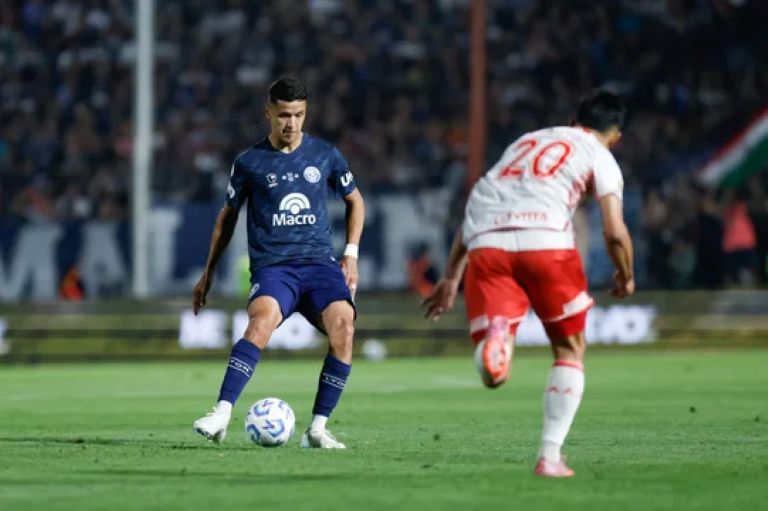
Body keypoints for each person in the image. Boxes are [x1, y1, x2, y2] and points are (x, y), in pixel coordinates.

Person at [422, 90, 634, 477]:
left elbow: (480, 203)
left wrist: (452, 275)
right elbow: (615, 232)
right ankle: (549, 457)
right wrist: (626, 274)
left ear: (573, 118)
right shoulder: (600, 155)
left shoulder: (526, 141)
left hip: (486, 242)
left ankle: (498, 339)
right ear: (615, 135)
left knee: (494, 376)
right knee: (570, 348)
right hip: (547, 241)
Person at [192, 76, 365, 448]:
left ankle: (317, 429)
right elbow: (227, 217)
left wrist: (350, 255)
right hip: (276, 268)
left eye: (299, 115)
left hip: (320, 266)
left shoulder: (325, 155)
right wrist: (208, 272)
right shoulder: (249, 162)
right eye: (284, 115)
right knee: (260, 322)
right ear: (268, 112)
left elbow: (355, 200)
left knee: (344, 329)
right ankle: (221, 412)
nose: (292, 124)